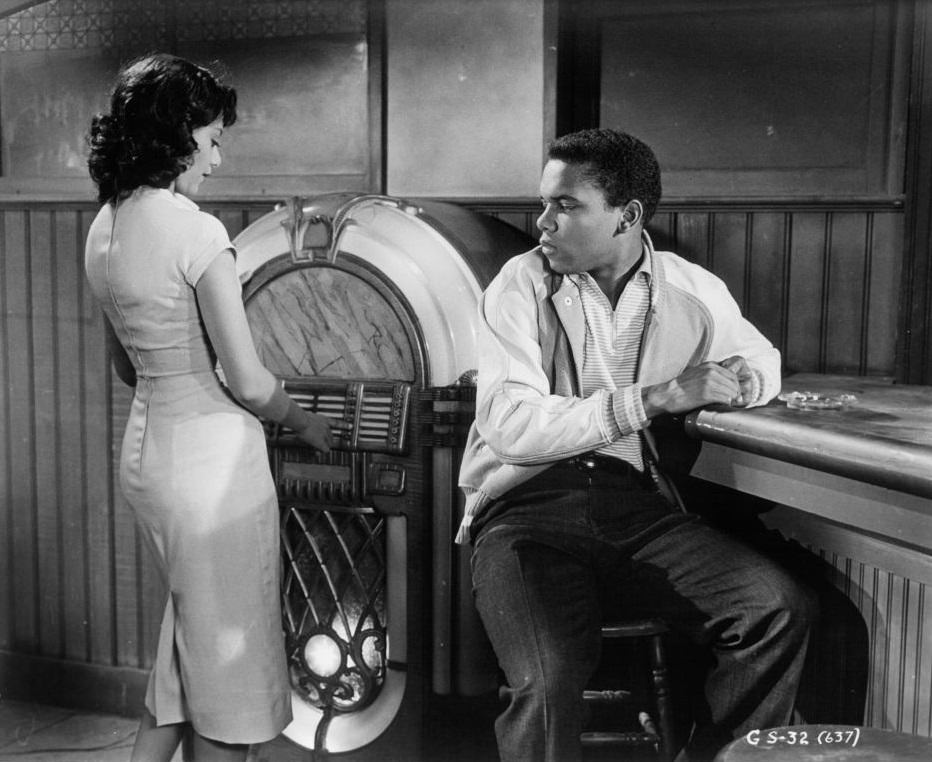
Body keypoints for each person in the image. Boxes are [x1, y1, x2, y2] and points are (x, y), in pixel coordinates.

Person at [456, 128, 817, 762]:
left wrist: (738, 382)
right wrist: (652, 399)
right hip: (524, 514)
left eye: (565, 205)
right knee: (547, 680)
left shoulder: (688, 285)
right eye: (545, 202)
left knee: (776, 610)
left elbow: (761, 358)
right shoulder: (520, 283)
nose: (542, 222)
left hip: (638, 512)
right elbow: (512, 427)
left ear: (628, 216)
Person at [84, 54, 347, 762]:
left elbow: (124, 368)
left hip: (149, 462)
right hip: (213, 476)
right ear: (177, 136)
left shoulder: (103, 227)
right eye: (212, 137)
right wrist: (308, 423)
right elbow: (252, 383)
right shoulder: (195, 232)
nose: (218, 157)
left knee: (184, 656)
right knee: (228, 683)